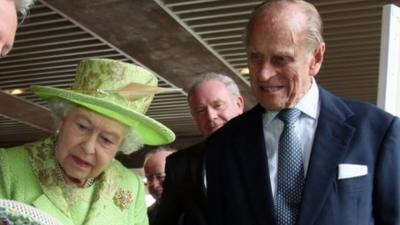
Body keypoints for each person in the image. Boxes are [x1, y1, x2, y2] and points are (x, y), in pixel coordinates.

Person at [204, 1, 400, 225]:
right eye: (256, 57)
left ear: (316, 58)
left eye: (281, 59)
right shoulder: (222, 145)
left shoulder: (378, 132)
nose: (264, 74)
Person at [0, 58, 176, 225]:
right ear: (63, 119)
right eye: (82, 127)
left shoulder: (131, 185)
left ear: (121, 146)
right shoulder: (7, 166)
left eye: (106, 140)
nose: (89, 147)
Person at [155, 73, 244, 225]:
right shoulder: (179, 164)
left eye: (217, 105)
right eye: (201, 111)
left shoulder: (268, 150)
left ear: (239, 104)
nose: (211, 116)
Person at [143, 146, 176, 225]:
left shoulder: (202, 210)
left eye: (161, 177)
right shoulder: (145, 216)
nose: (154, 185)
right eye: (149, 178)